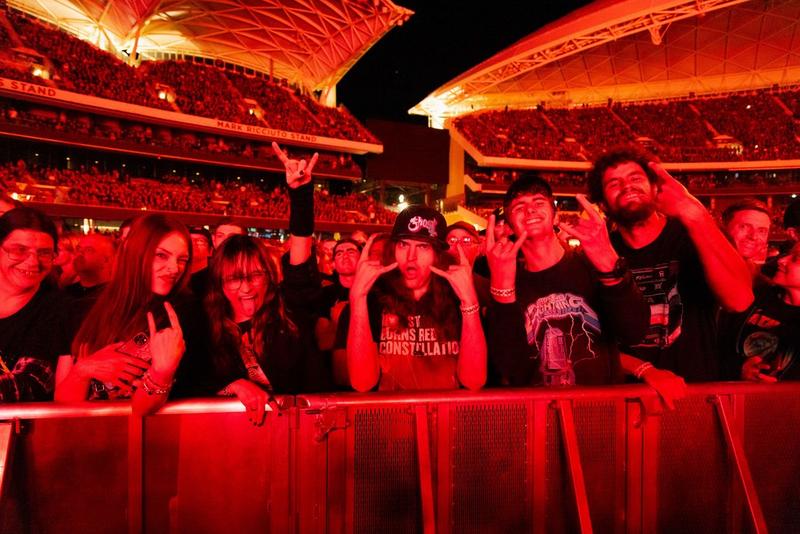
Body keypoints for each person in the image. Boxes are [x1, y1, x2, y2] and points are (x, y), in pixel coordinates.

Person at [588, 147, 753, 382]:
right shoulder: (599, 252)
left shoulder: (695, 234)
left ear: (655, 188)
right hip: (628, 394)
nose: (627, 186)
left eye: (635, 178)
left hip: (696, 390)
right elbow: (594, 339)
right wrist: (644, 370)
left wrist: (692, 212)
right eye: (614, 183)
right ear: (603, 203)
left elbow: (739, 300)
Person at [200, 142, 326, 426]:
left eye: (255, 276)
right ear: (219, 282)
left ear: (269, 276)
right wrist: (235, 384)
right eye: (235, 279)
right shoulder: (207, 325)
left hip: (298, 431)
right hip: (230, 438)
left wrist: (301, 194)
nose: (246, 289)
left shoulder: (289, 310)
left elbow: (300, 258)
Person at [485, 173, 651, 388]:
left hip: (602, 403)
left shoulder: (591, 265)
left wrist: (610, 267)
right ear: (509, 227)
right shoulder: (506, 282)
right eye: (519, 207)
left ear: (556, 217)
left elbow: (635, 332)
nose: (530, 210)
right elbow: (508, 368)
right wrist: (502, 288)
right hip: (539, 405)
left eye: (538, 202)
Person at [55, 214, 195, 416]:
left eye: (182, 260)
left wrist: (161, 374)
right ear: (135, 253)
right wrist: (83, 371)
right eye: (161, 255)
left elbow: (141, 410)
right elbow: (62, 404)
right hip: (88, 431)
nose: (175, 269)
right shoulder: (83, 309)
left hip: (151, 432)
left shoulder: (185, 312)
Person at [341, 205, 486, 392]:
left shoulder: (455, 296)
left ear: (437, 255)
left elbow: (474, 381)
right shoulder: (377, 297)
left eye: (423, 246)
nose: (411, 257)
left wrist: (469, 303)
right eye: (403, 245)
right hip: (392, 409)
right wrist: (358, 298)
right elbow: (362, 383)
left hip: (446, 409)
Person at [0, 207, 70, 402]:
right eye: (19, 250)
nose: (33, 262)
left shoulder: (59, 310)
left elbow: (32, 383)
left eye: (44, 253)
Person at [720, 241, 800, 382]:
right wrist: (739, 367)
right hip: (732, 391)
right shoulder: (754, 297)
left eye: (796, 258)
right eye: (787, 254)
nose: (781, 260)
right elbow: (716, 345)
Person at [720, 198, 771, 281]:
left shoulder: (760, 279)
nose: (753, 236)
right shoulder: (701, 269)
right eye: (744, 227)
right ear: (724, 227)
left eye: (761, 231)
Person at [188, 226, 213, 298]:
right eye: (190, 241)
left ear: (210, 251)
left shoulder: (215, 280)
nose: (194, 244)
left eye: (200, 241)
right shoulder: (178, 276)